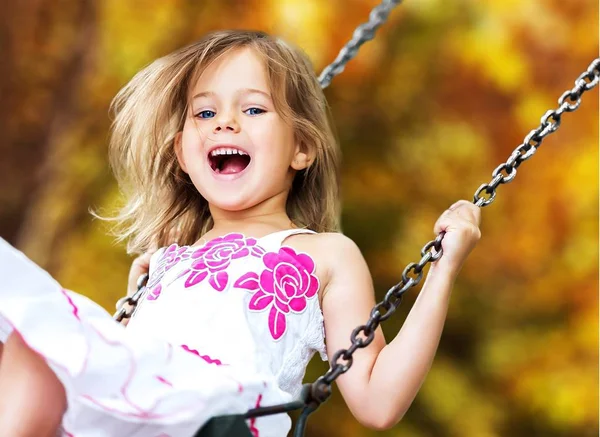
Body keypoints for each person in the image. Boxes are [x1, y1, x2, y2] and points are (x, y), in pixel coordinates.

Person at [0, 30, 481, 437]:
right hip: (143, 415)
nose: (225, 121)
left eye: (253, 110)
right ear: (183, 154)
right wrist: (134, 305)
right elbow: (127, 370)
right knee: (33, 336)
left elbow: (377, 403)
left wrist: (444, 267)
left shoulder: (324, 254)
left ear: (302, 149)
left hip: (226, 417)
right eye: (205, 114)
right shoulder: (168, 260)